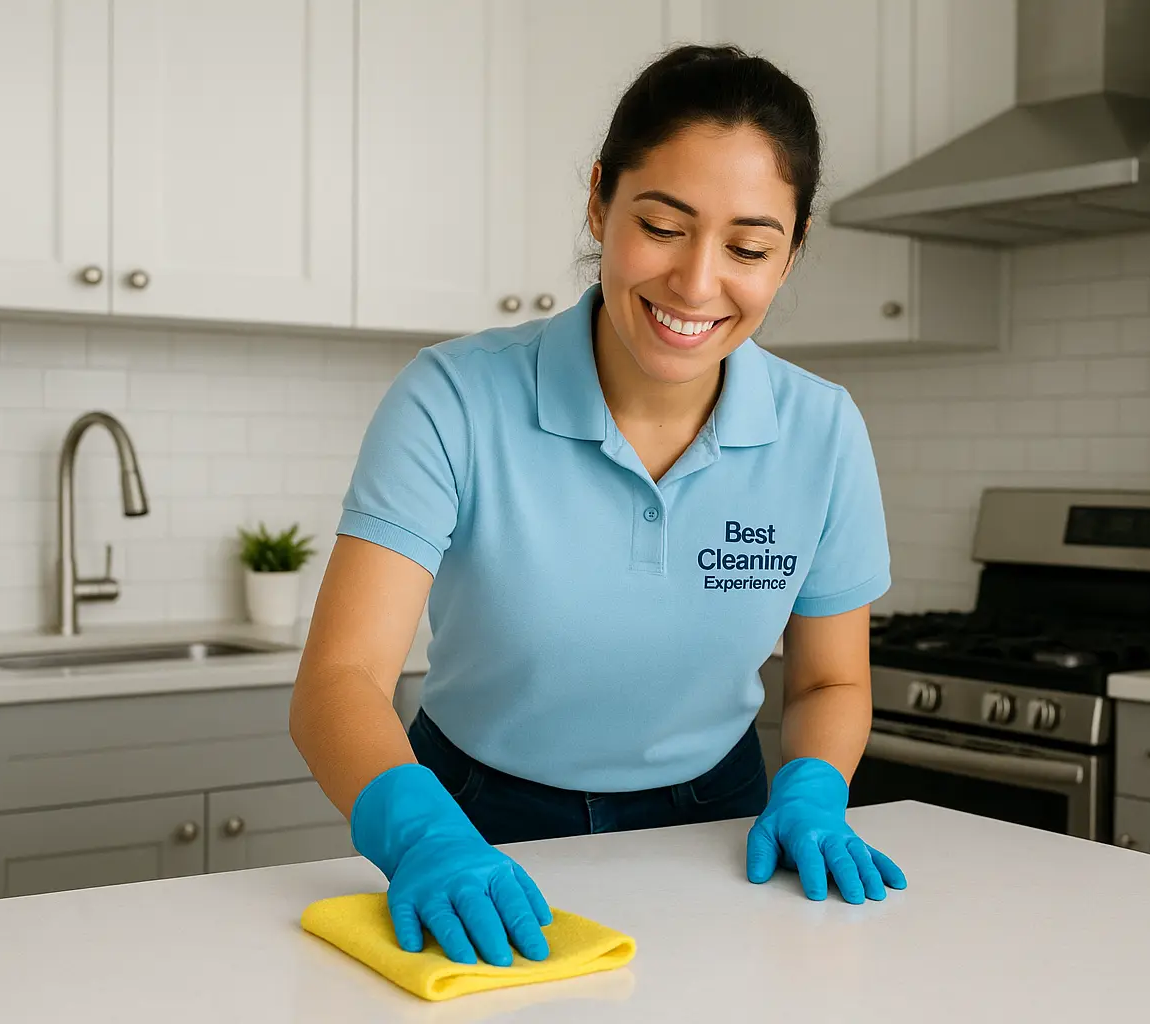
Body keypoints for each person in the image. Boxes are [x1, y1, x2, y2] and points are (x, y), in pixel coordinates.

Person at [289, 43, 906, 969]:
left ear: (792, 253)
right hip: (471, 824)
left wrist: (814, 791)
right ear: (598, 202)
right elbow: (338, 681)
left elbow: (827, 682)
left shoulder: (822, 430)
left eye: (747, 247)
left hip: (721, 825)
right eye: (662, 225)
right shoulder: (452, 398)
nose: (698, 284)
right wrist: (424, 836)